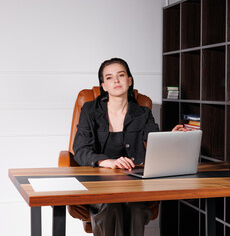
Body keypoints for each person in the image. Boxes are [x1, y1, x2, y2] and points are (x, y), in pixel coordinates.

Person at [73, 58, 187, 236]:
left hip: (134, 183)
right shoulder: (90, 110)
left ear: (129, 80)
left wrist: (171, 138)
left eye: (121, 75)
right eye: (109, 78)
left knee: (134, 205)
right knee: (111, 205)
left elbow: (154, 140)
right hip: (99, 183)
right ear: (104, 86)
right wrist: (107, 161)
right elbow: (80, 150)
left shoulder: (143, 113)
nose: (116, 80)